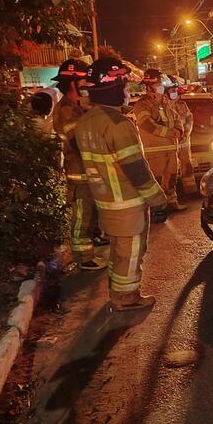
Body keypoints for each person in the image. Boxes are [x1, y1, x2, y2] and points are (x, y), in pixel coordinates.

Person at [76, 57, 167, 311]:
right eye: (125, 86)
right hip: (128, 204)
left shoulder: (86, 121)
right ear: (113, 87)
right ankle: (126, 298)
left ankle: (117, 293)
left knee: (118, 252)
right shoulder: (118, 124)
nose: (127, 92)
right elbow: (137, 171)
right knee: (130, 253)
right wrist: (159, 201)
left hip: (106, 202)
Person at [51, 59, 107, 272]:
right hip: (78, 173)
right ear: (73, 83)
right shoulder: (66, 109)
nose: (88, 85)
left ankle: (92, 242)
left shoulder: (77, 106)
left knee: (91, 212)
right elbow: (78, 140)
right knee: (82, 215)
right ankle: (83, 258)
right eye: (84, 80)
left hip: (88, 171)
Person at [133, 69, 186, 214]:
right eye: (158, 84)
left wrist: (179, 130)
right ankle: (158, 207)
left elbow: (176, 118)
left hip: (170, 149)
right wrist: (170, 133)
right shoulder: (142, 104)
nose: (161, 86)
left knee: (171, 178)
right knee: (156, 180)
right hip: (154, 152)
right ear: (149, 86)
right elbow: (147, 124)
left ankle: (172, 202)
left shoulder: (165, 101)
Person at [168, 80, 198, 197]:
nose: (175, 92)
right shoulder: (162, 107)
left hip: (183, 142)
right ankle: (172, 195)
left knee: (187, 167)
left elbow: (189, 119)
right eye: (172, 90)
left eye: (175, 90)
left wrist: (185, 133)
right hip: (170, 143)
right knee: (170, 170)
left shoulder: (182, 105)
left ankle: (190, 191)